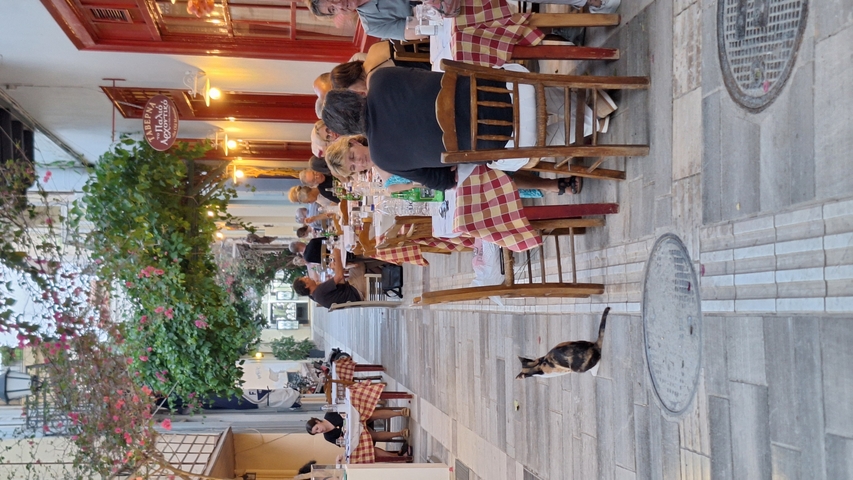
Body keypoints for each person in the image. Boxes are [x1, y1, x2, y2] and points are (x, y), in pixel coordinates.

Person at [324, 134, 582, 195]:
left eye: (352, 157)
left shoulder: (384, 138)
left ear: (353, 143)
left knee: (488, 170)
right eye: (354, 168)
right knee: (490, 181)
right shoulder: (383, 175)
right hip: (448, 175)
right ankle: (553, 182)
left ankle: (557, 164)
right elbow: (417, 182)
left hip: (451, 149)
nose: (359, 162)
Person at [306, 0, 620, 42]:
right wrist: (437, 10)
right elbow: (415, 30)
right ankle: (554, 38)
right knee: (480, 36)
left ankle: (585, 3)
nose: (339, 4)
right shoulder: (372, 23)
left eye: (333, 1)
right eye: (333, 9)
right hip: (451, 12)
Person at [306, 409, 411, 459]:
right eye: (316, 433)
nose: (319, 431)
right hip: (358, 435)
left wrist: (345, 416)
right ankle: (400, 435)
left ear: (317, 421)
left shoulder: (329, 414)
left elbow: (345, 409)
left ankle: (400, 413)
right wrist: (343, 441)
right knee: (371, 438)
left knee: (372, 415)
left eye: (317, 429)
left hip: (359, 418)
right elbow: (343, 444)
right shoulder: (327, 436)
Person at [293, 248, 365, 308]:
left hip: (353, 297)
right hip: (357, 291)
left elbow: (341, 283)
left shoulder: (316, 296)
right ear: (306, 285)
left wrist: (335, 269)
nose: (306, 277)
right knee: (358, 257)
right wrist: (337, 255)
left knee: (351, 264)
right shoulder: (320, 290)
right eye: (304, 279)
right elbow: (339, 276)